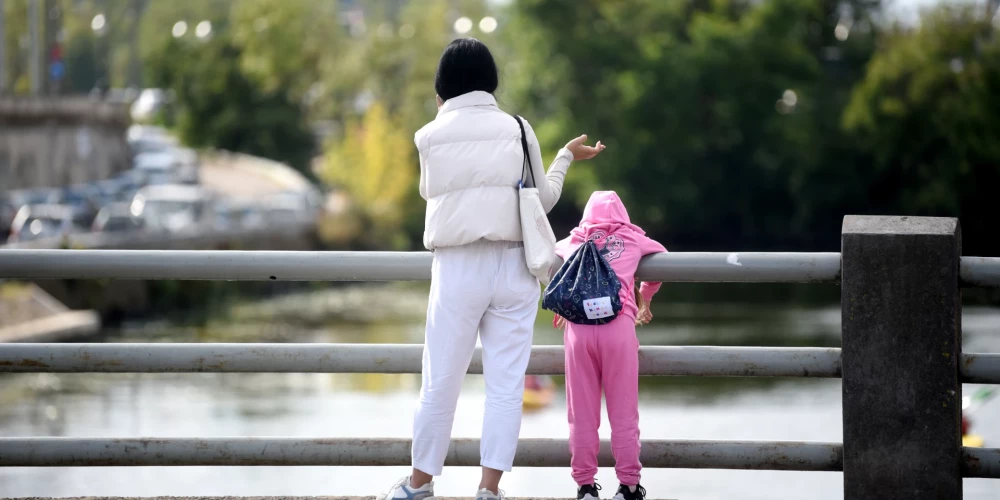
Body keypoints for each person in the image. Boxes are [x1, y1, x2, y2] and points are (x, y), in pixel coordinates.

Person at [379, 38, 605, 500]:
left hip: (458, 266)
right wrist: (563, 157)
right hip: (515, 266)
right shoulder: (519, 129)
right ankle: (489, 490)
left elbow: (429, 191)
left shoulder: (427, 136)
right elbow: (542, 201)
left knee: (440, 380)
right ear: (491, 82)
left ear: (442, 87)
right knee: (505, 385)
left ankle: (419, 485)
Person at [552, 191, 667, 500]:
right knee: (624, 414)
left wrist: (567, 308)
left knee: (582, 415)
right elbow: (662, 259)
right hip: (618, 330)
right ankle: (629, 486)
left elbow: (547, 266)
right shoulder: (633, 238)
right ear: (622, 215)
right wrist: (645, 296)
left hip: (579, 332)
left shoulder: (572, 240)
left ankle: (585, 486)